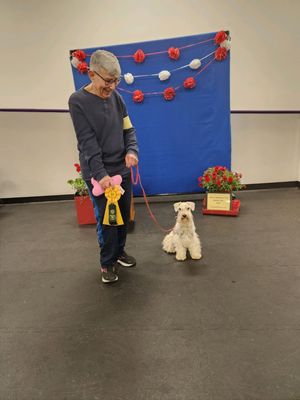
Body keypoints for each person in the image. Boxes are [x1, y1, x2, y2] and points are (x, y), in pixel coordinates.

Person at [69, 50, 139, 284]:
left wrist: (131, 151)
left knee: (123, 218)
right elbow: (87, 142)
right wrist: (101, 175)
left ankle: (119, 252)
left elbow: (128, 129)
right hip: (99, 174)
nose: (112, 86)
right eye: (108, 81)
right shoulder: (78, 101)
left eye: (115, 81)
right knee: (108, 221)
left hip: (122, 169)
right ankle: (106, 263)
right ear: (91, 74)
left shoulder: (116, 97)